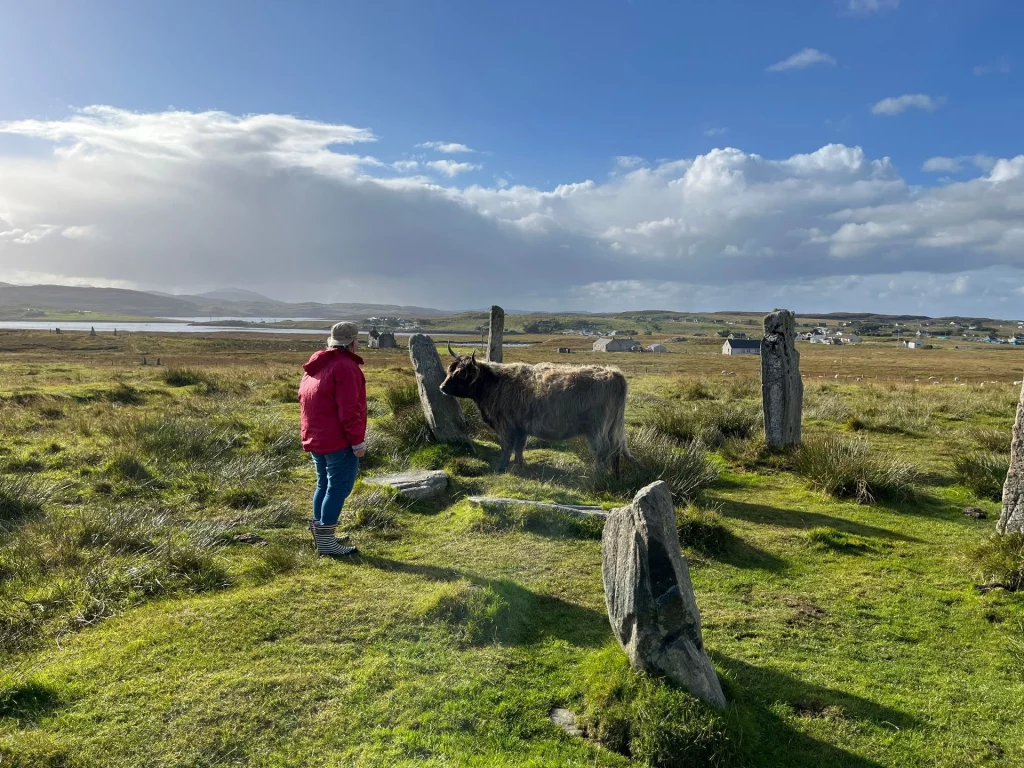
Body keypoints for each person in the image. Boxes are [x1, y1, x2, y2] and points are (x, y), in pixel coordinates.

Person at [299, 321, 367, 557]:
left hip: (316, 436)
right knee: (338, 487)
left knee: (324, 484)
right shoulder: (346, 367)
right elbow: (350, 410)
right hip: (338, 439)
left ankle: (321, 535)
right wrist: (357, 442)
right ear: (353, 342)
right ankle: (326, 542)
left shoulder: (318, 364)